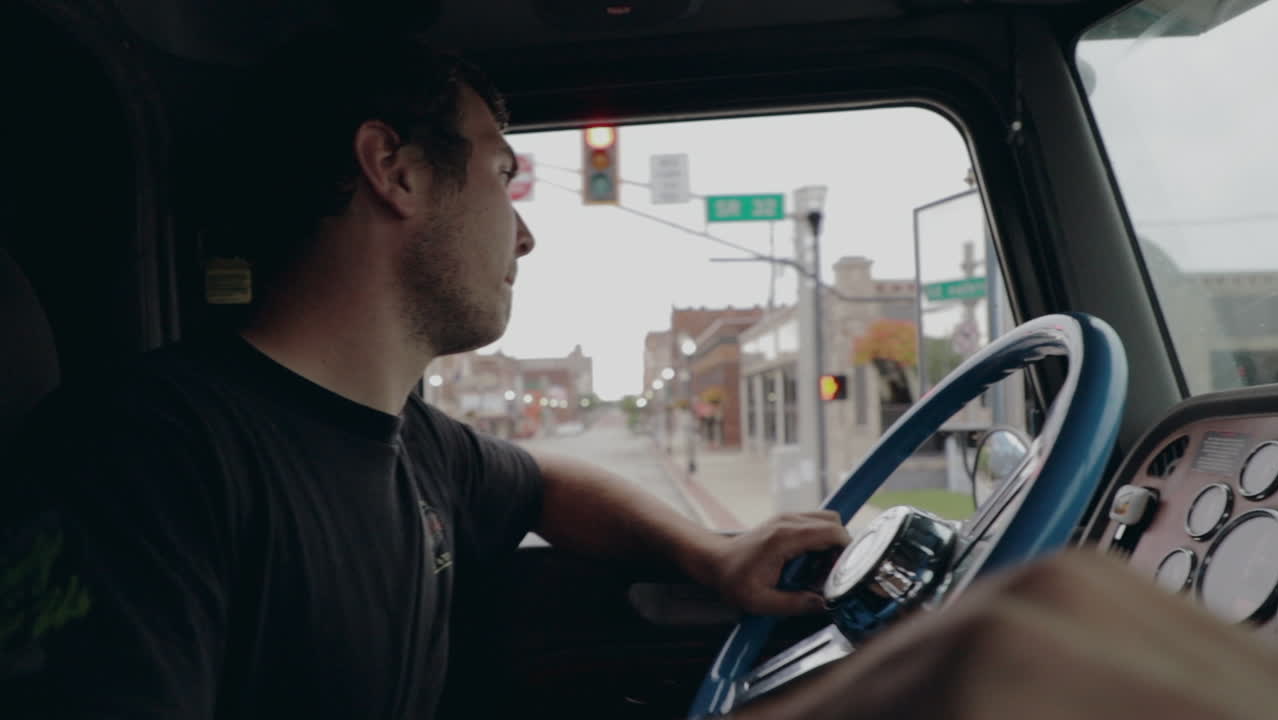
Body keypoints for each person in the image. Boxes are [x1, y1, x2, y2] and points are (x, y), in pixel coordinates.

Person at [0, 31, 849, 718]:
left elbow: (544, 480)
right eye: (500, 176)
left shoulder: (414, 446)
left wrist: (708, 551)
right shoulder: (143, 459)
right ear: (395, 171)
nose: (523, 238)